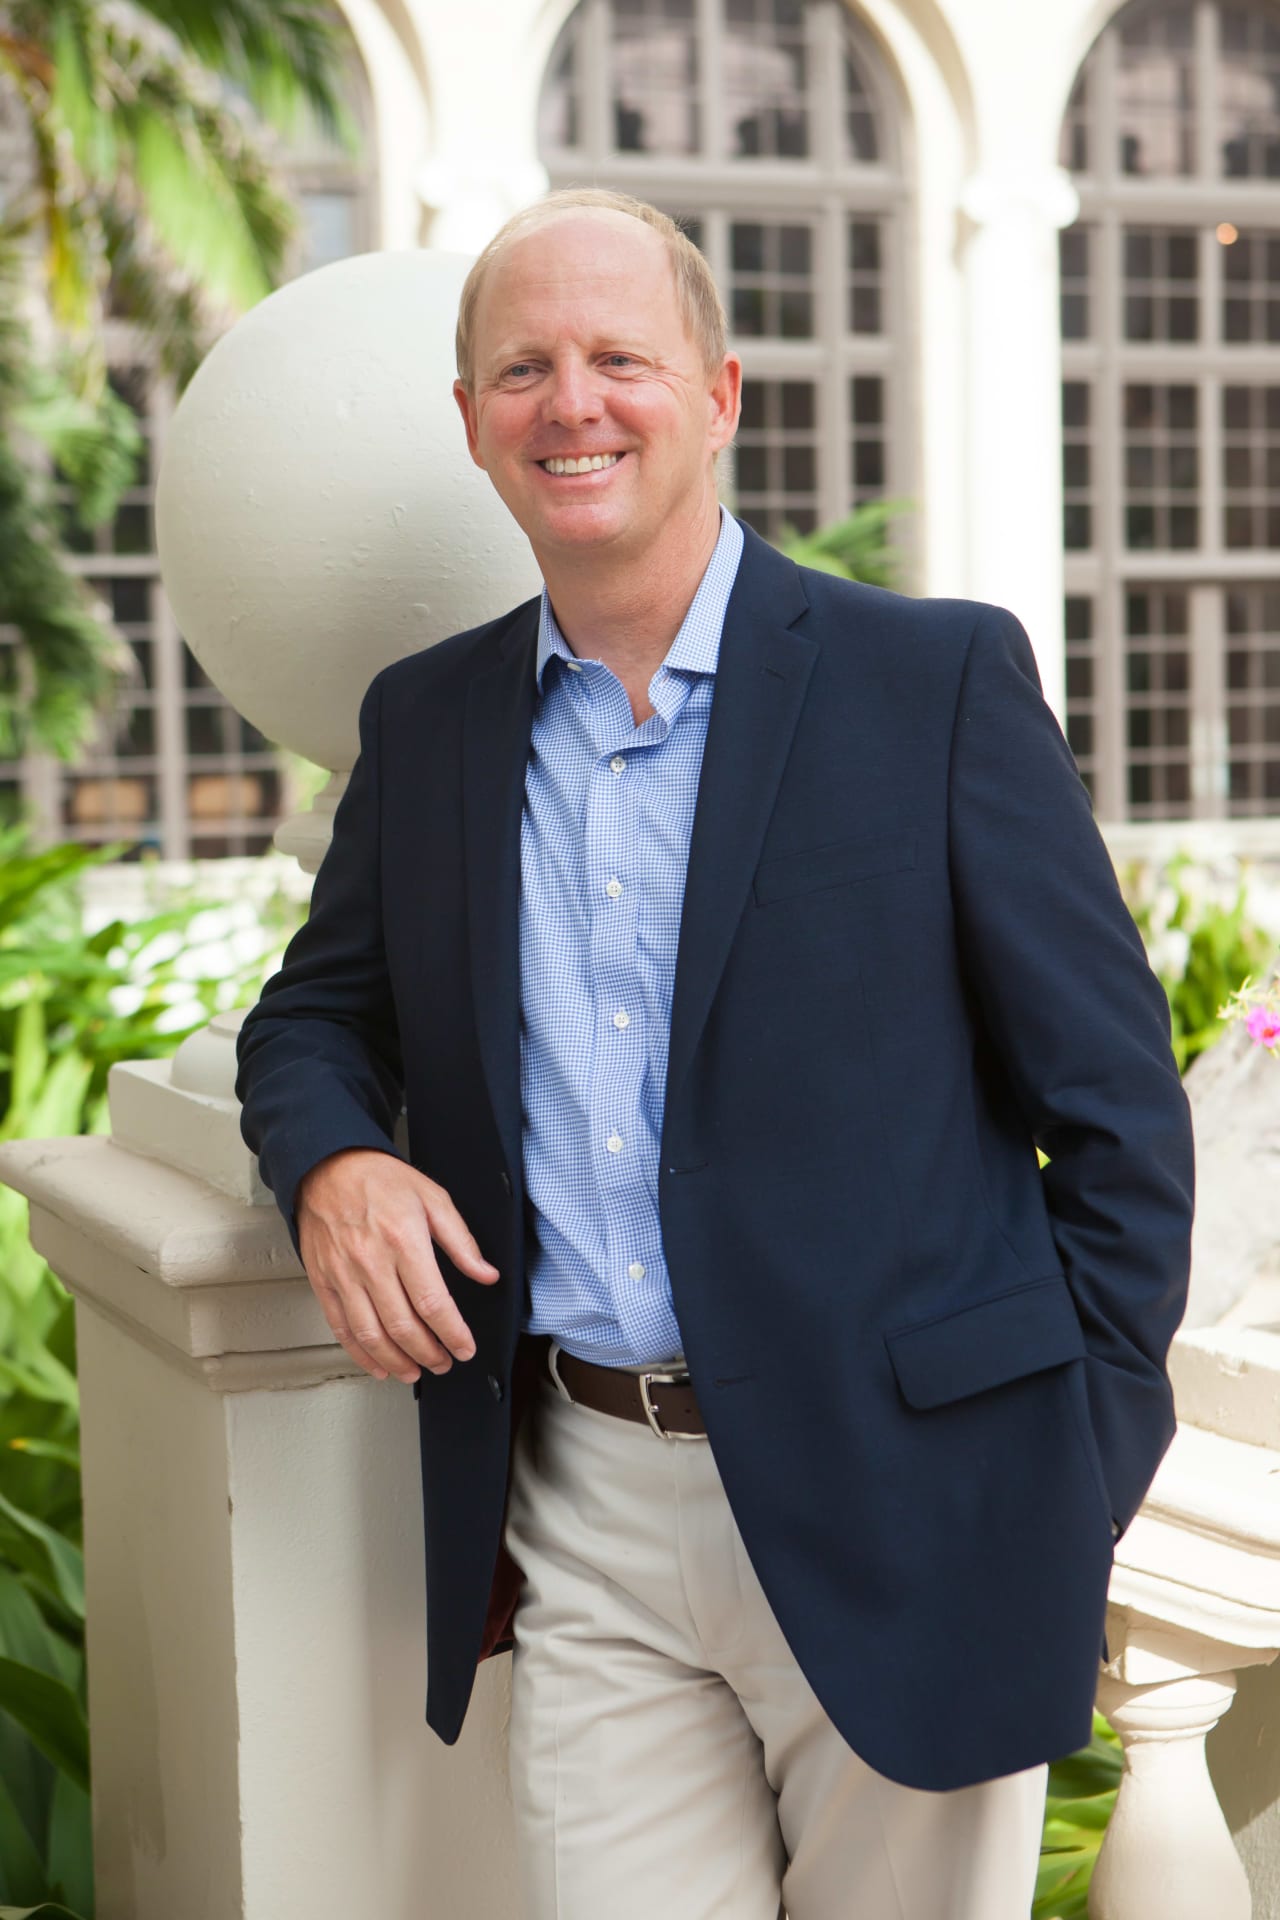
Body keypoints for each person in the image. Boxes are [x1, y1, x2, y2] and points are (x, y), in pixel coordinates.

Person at [235, 187, 1195, 1919]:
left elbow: (1119, 1117)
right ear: (470, 425)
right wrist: (337, 1158)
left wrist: (1065, 1483)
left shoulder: (937, 685)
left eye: (621, 358)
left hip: (916, 1502)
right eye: (523, 368)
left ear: (723, 393)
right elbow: (316, 1012)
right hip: (581, 1501)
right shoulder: (429, 718)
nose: (572, 403)